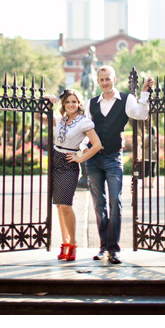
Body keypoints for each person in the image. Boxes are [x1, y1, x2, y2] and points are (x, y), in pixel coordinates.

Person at [84, 66, 153, 264]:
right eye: (102, 79)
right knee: (99, 205)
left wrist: (144, 94)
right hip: (93, 159)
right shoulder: (91, 104)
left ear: (114, 78)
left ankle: (113, 249)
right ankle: (103, 245)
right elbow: (85, 129)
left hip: (113, 158)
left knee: (116, 202)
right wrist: (82, 151)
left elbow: (140, 114)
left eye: (108, 79)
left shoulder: (126, 99)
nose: (105, 82)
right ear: (98, 82)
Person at [44, 89, 103, 262]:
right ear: (64, 104)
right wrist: (48, 100)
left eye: (74, 102)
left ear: (79, 104)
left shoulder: (83, 122)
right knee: (59, 206)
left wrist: (80, 158)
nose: (71, 105)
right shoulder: (61, 120)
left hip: (69, 164)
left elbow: (97, 144)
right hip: (55, 161)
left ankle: (74, 244)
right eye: (68, 102)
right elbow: (38, 116)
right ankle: (65, 242)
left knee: (66, 205)